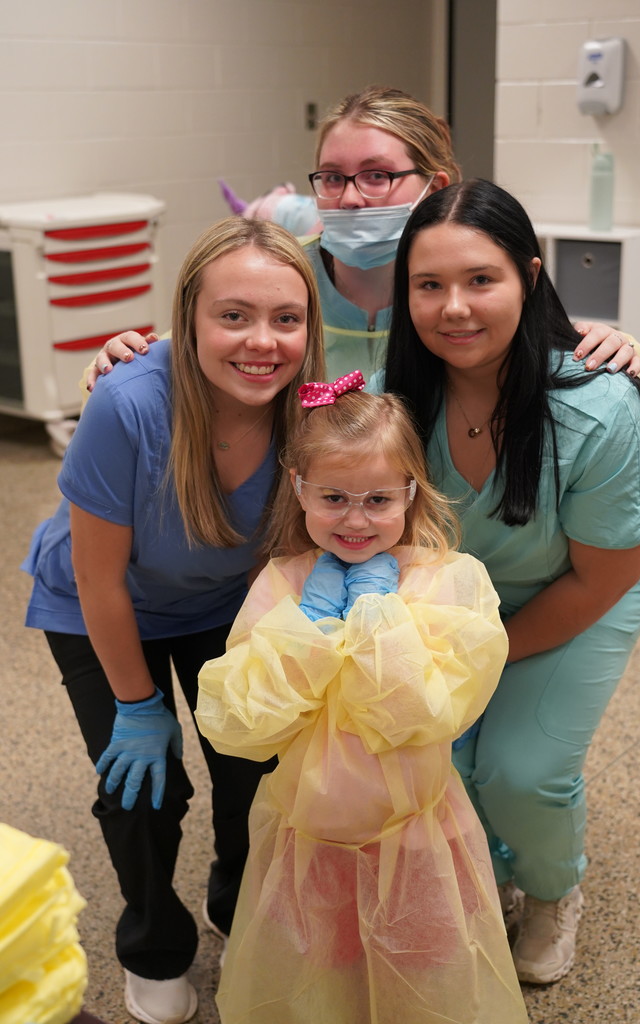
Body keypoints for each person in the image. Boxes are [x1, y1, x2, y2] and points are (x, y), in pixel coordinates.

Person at [372, 178, 640, 985]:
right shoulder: (396, 399)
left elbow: (600, 575)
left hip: (585, 586)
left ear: (529, 277)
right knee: (439, 756)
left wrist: (481, 657)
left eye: (480, 280)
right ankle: (490, 863)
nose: (453, 308)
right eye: (428, 286)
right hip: (463, 595)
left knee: (518, 768)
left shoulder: (600, 408)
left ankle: (549, 888)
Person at [22, 217, 325, 1024]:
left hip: (223, 602)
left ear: (309, 327)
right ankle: (153, 946)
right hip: (103, 604)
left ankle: (240, 906)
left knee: (251, 766)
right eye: (233, 316)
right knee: (143, 788)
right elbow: (97, 577)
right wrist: (135, 703)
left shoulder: (316, 406)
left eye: (285, 319)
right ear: (187, 316)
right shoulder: (129, 405)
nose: (261, 341)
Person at [194, 375, 529, 1024]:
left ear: (410, 491)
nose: (355, 518)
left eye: (378, 498)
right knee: (321, 979)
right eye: (333, 498)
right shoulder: (283, 585)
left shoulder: (448, 583)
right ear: (298, 490)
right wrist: (312, 624)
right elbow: (239, 723)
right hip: (307, 839)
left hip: (416, 842)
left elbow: (423, 716)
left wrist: (378, 611)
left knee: (425, 980)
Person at [88, 86, 640, 389]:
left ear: (436, 186)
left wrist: (624, 349)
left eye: (378, 176)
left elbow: (582, 367)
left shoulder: (459, 295)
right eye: (332, 178)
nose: (352, 198)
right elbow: (191, 345)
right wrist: (127, 358)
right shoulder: (286, 275)